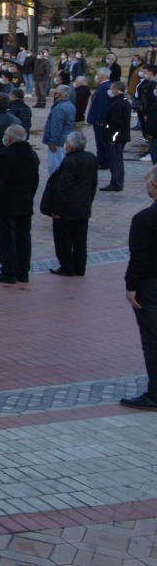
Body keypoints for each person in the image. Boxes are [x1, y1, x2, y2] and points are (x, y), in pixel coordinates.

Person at [123, 166, 157, 410]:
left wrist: (131, 286)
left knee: (153, 340)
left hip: (151, 286)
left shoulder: (144, 219)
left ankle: (155, 394)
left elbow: (140, 258)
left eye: (148, 181)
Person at [41, 131, 97, 276]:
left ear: (70, 146)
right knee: (80, 239)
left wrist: (57, 210)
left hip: (67, 209)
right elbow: (93, 183)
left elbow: (63, 188)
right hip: (83, 207)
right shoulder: (90, 158)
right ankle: (79, 267)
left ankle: (67, 266)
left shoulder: (69, 162)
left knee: (63, 240)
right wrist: (89, 201)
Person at [0, 125, 39, 285]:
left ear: (9, 139)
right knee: (23, 237)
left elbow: (0, 183)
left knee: (6, 238)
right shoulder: (32, 155)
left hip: (7, 203)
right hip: (25, 202)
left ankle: (8, 270)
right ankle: (22, 271)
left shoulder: (6, 156)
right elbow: (35, 181)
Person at [104, 82, 132, 191]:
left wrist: (112, 138)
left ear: (116, 90)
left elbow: (117, 124)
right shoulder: (122, 102)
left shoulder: (118, 104)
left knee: (115, 161)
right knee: (117, 160)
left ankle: (117, 183)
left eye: (112, 89)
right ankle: (116, 182)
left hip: (117, 138)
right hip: (121, 137)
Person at [42, 85, 76, 174]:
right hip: (66, 139)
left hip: (58, 141)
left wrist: (53, 141)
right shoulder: (70, 105)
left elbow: (56, 126)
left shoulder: (59, 108)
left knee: (55, 166)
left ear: (59, 95)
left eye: (56, 93)